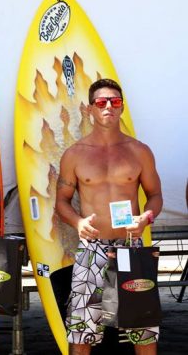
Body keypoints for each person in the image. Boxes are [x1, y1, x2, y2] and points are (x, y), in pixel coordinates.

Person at [56, 78, 163, 355]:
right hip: (92, 251)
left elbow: (155, 195)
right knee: (81, 333)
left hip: (131, 249)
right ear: (89, 109)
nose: (108, 107)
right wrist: (78, 222)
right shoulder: (74, 155)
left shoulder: (140, 151)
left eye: (115, 102)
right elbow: (62, 202)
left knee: (144, 331)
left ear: (122, 107)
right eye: (101, 102)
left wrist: (146, 218)